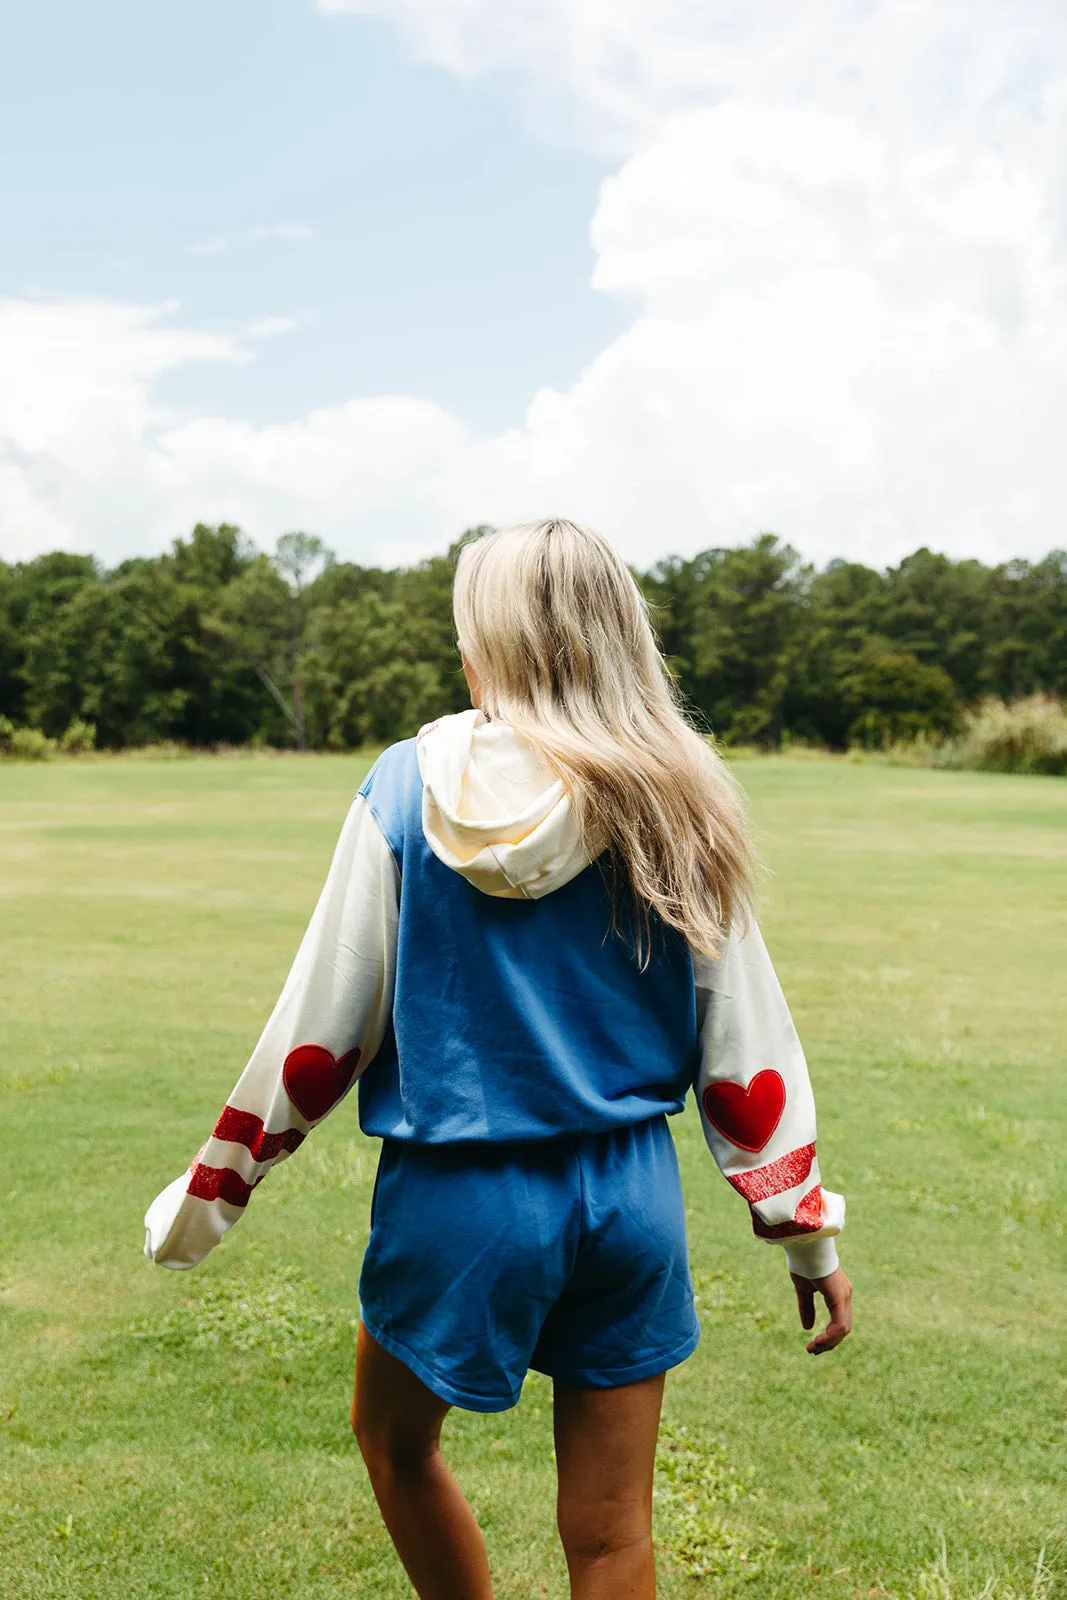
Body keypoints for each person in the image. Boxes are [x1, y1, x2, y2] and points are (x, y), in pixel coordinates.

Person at [145, 517, 851, 1600]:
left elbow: (321, 1028)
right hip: (630, 1197)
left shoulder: (403, 787)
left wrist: (214, 1189)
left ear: (488, 650)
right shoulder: (677, 795)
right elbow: (745, 1042)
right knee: (613, 1533)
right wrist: (805, 1240)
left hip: (457, 1197)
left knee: (395, 1444)